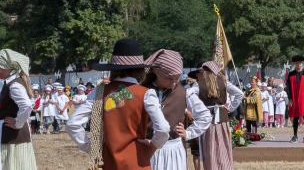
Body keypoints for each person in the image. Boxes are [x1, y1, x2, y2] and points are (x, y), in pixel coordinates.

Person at [67, 38, 170, 170]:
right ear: (140, 69)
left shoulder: (99, 92)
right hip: (137, 162)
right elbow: (163, 128)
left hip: (107, 163)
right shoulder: (146, 94)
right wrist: (153, 145)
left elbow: (72, 124)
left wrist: (92, 148)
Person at [143, 49, 213, 170]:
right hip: (147, 150)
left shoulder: (184, 92)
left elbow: (205, 116)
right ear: (157, 72)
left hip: (173, 151)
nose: (174, 82)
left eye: (177, 78)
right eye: (170, 78)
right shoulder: (142, 90)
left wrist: (189, 133)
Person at [0, 48, 38, 170]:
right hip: (13, 131)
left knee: (10, 165)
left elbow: (27, 105)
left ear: (9, 67)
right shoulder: (14, 82)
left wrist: (18, 123)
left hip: (11, 132)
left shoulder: (14, 85)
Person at [194, 60, 244, 170]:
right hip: (223, 120)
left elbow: (188, 95)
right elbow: (239, 93)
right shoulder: (224, 82)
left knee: (210, 149)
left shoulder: (199, 84)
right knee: (223, 148)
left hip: (208, 121)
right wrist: (230, 108)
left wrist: (197, 110)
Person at [286, 55, 304, 143]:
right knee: (295, 117)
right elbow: (288, 87)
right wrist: (290, 98)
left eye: (300, 63)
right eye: (297, 63)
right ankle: (295, 136)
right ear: (295, 64)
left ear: (302, 64)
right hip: (294, 98)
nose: (298, 64)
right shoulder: (291, 74)